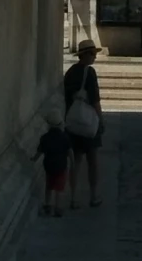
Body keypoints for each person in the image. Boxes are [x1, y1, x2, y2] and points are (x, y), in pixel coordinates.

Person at [62, 38, 104, 208]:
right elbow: (95, 100)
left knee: (75, 160)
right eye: (93, 54)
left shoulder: (70, 72)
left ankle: (73, 197)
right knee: (92, 160)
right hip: (88, 121)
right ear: (86, 55)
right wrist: (101, 120)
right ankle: (93, 196)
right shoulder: (90, 73)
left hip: (73, 120)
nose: (94, 57)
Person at [36, 114, 71, 216]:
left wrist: (34, 159)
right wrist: (72, 162)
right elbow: (70, 152)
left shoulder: (44, 138)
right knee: (59, 188)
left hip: (49, 166)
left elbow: (39, 151)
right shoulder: (65, 137)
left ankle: (47, 205)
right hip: (61, 166)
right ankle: (58, 208)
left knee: (49, 186)